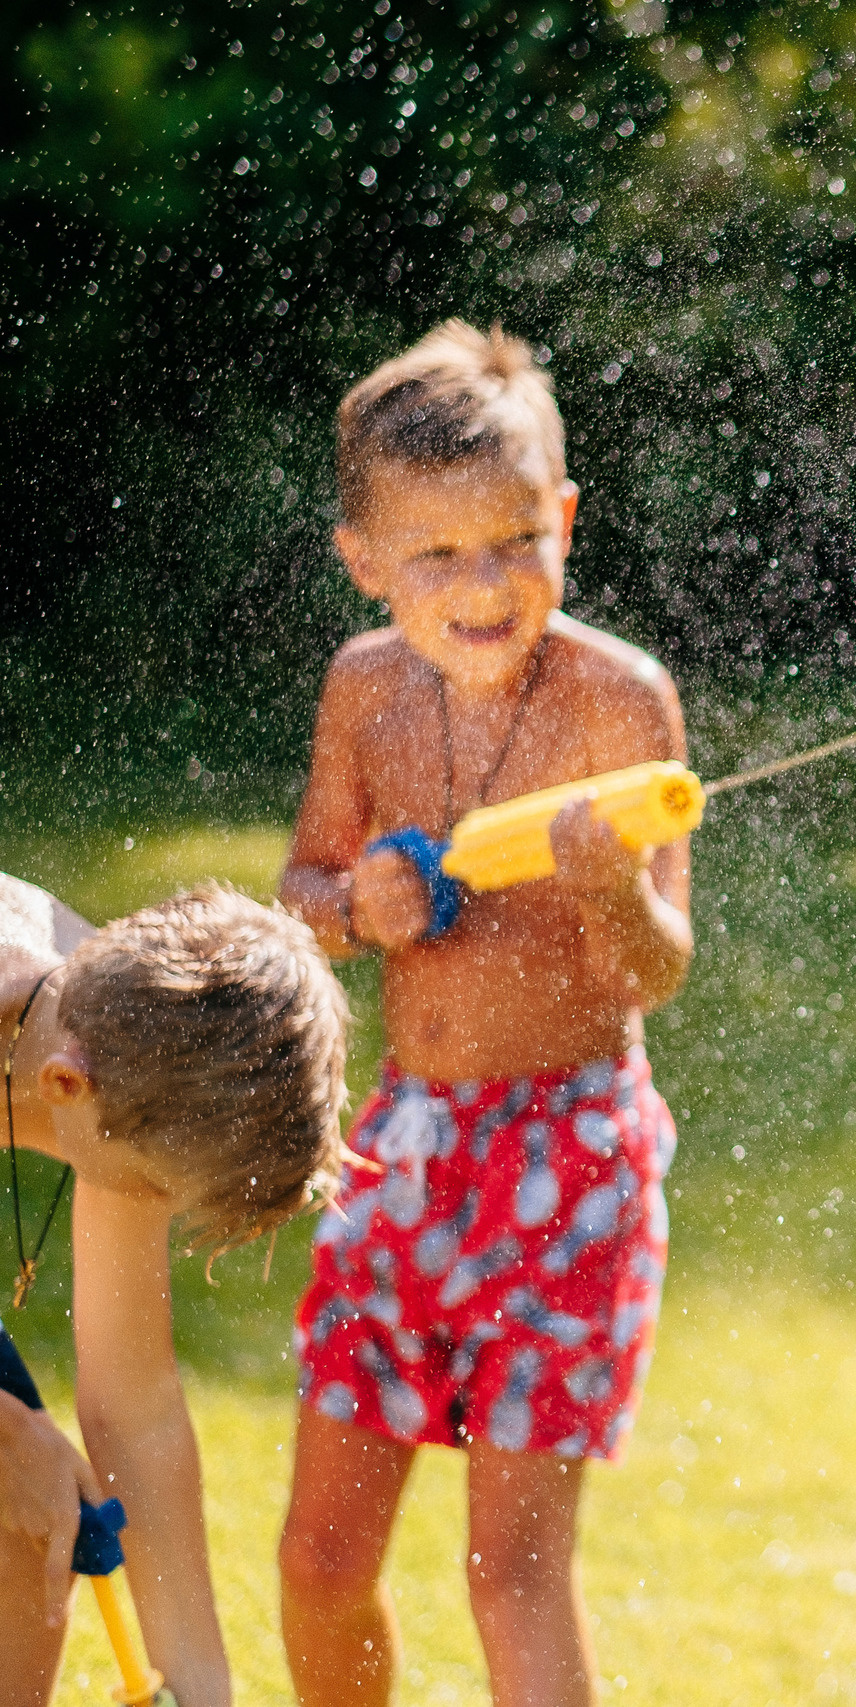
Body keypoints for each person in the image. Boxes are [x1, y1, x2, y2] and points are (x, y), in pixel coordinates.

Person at [275, 321, 694, 1707]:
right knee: (322, 1552)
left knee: (507, 1573)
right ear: (366, 559)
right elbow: (305, 884)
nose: (483, 583)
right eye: (437, 552)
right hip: (406, 1138)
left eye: (515, 538)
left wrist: (610, 892)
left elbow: (661, 964)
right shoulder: (366, 688)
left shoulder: (620, 700)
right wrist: (358, 908)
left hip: (573, 1154)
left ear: (564, 517)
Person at [0, 875, 349, 1707]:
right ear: (62, 1086)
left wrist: (200, 1694)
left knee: (25, 1539)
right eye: (150, 1184)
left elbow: (136, 1409)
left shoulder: (123, 1043)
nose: (143, 1203)